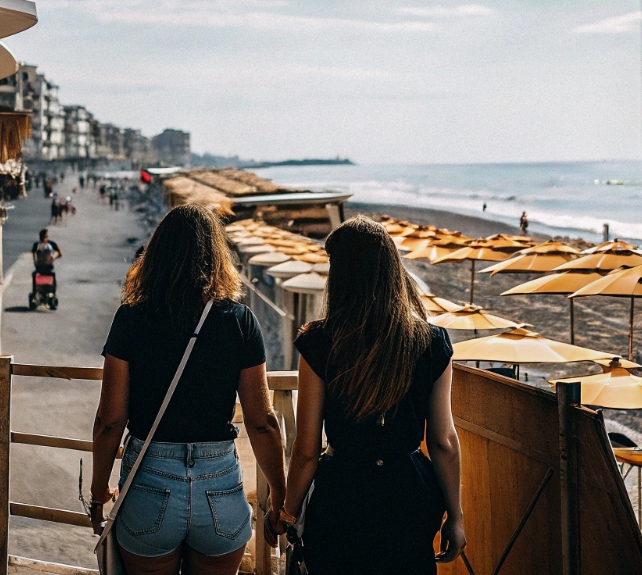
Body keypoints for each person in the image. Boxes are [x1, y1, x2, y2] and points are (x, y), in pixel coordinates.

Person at [90, 205, 288, 575]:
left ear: (156, 255)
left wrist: (98, 493)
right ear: (216, 257)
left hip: (149, 482)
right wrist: (279, 495)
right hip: (220, 488)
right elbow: (262, 422)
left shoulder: (131, 319)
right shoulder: (239, 321)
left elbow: (109, 420)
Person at [274, 216, 465, 574]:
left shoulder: (319, 342)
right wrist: (455, 517)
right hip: (408, 492)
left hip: (343, 495)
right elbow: (443, 442)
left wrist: (289, 512)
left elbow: (306, 450)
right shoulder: (430, 341)